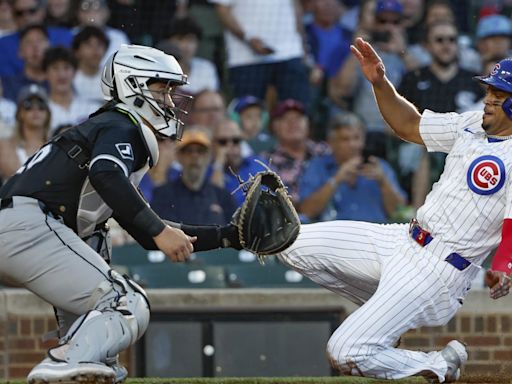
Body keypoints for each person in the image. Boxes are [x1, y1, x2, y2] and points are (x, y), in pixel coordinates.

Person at [0, 44, 241, 384]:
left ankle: (72, 356)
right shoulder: (122, 123)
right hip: (30, 225)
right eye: (163, 89)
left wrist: (229, 236)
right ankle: (61, 363)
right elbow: (106, 175)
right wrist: (159, 231)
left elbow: (144, 229)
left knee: (101, 355)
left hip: (26, 228)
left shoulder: (109, 128)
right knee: (124, 301)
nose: (170, 101)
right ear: (134, 85)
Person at [276, 37, 512, 382]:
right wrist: (379, 83)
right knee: (288, 242)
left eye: (500, 95)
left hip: (439, 269)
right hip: (402, 240)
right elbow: (409, 125)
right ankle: (384, 314)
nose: (489, 99)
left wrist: (503, 266)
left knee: (344, 352)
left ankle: (437, 364)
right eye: (490, 91)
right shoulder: (472, 123)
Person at [298, 112, 406, 223]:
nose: (353, 144)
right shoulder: (317, 167)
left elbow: (400, 213)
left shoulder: (380, 167)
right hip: (335, 237)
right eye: (345, 139)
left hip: (374, 236)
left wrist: (383, 183)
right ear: (332, 143)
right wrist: (336, 179)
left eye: (356, 138)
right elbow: (306, 211)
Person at [151, 126, 237, 225]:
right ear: (179, 156)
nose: (194, 156)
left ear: (208, 157)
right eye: (189, 151)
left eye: (200, 151)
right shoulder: (162, 195)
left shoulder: (223, 197)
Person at [0, 84, 51, 180]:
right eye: (28, 105)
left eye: (41, 105)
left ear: (48, 113)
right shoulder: (6, 145)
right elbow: (12, 174)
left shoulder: (55, 145)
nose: (35, 110)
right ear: (20, 113)